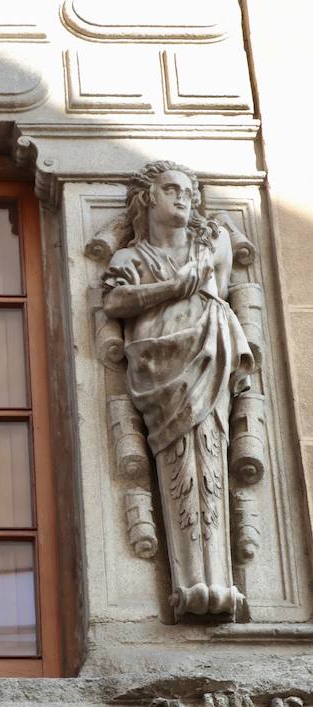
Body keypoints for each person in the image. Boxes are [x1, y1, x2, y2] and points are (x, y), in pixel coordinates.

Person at [102, 161, 254, 618]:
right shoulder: (130, 259)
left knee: (211, 453)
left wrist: (206, 250)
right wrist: (172, 287)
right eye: (171, 189)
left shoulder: (209, 248)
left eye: (189, 191)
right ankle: (190, 580)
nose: (184, 198)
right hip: (156, 366)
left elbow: (222, 260)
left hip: (209, 353)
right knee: (176, 462)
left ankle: (218, 578)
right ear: (148, 198)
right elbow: (114, 300)